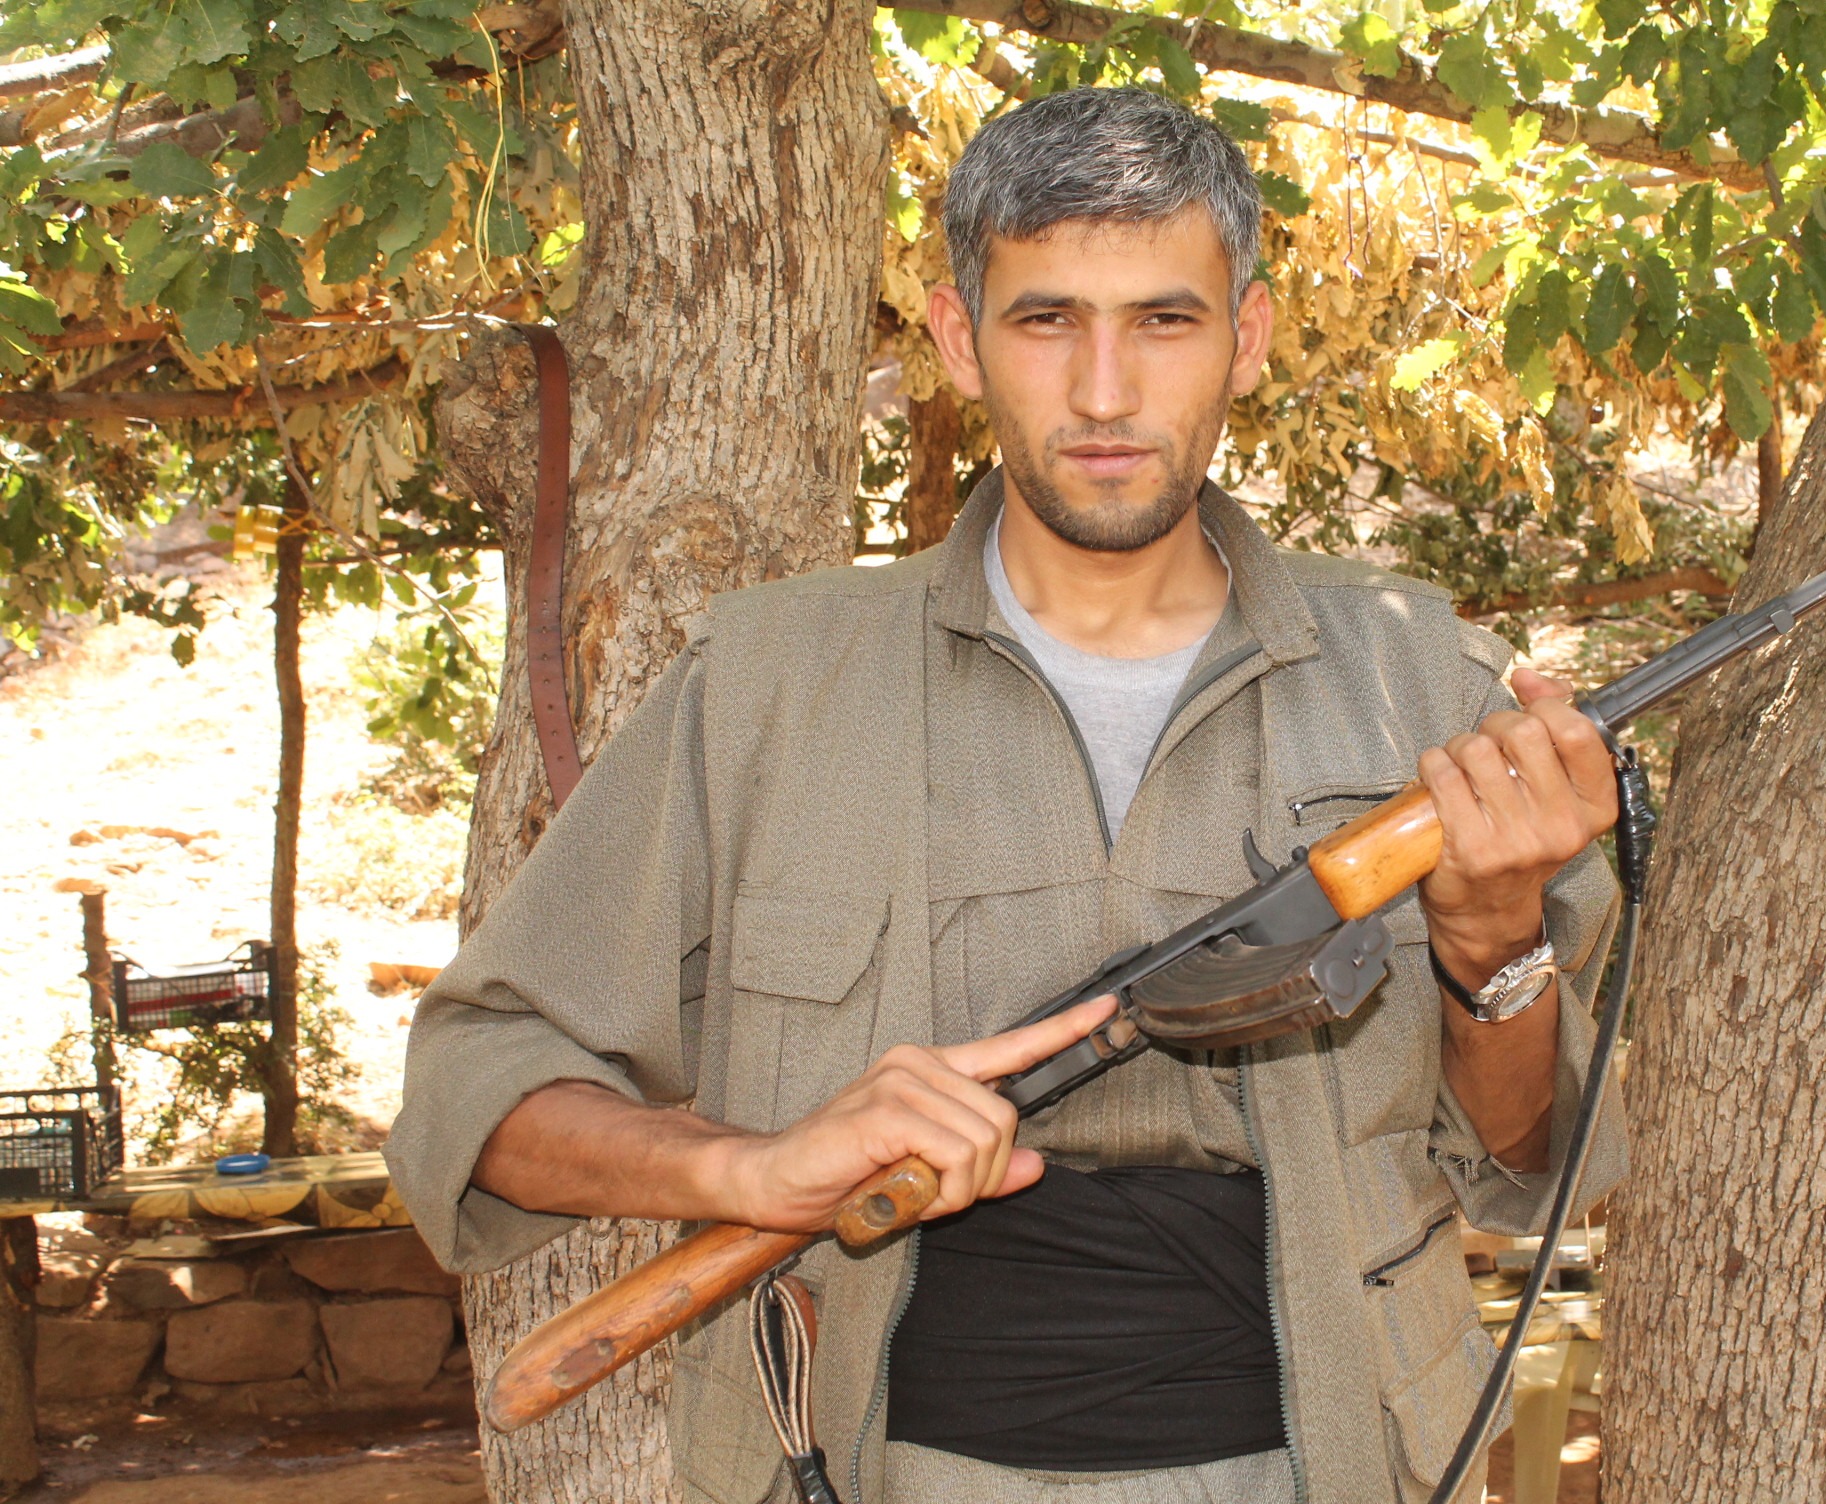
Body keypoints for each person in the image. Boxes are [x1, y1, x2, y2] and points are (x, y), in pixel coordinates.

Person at [387, 86, 1625, 1504]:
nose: (1104, 392)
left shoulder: (1420, 686)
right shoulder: (768, 686)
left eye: (1164, 321)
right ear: (958, 339)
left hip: (1333, 1465)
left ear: (1249, 338)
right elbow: (477, 1087)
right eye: (1047, 321)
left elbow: (1536, 1153)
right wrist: (752, 1170)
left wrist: (1491, 942)